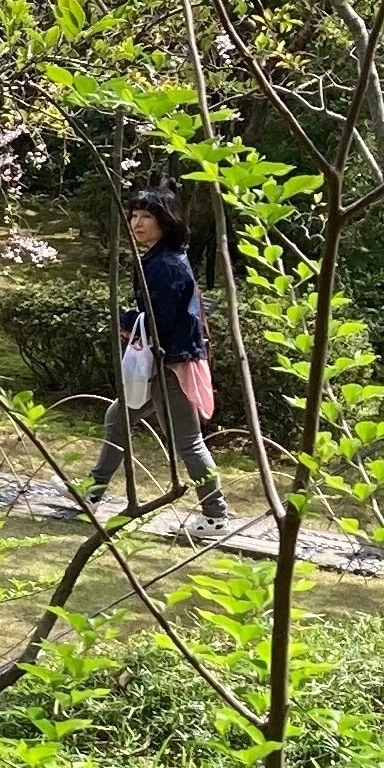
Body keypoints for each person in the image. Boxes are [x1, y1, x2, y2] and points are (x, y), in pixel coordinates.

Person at [82, 189, 227, 527]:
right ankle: (92, 491)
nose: (137, 223)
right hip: (161, 360)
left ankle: (216, 515)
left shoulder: (166, 265)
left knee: (188, 442)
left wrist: (125, 320)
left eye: (146, 216)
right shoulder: (161, 258)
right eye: (133, 216)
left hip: (170, 363)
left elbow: (158, 323)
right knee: (119, 418)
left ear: (165, 220)